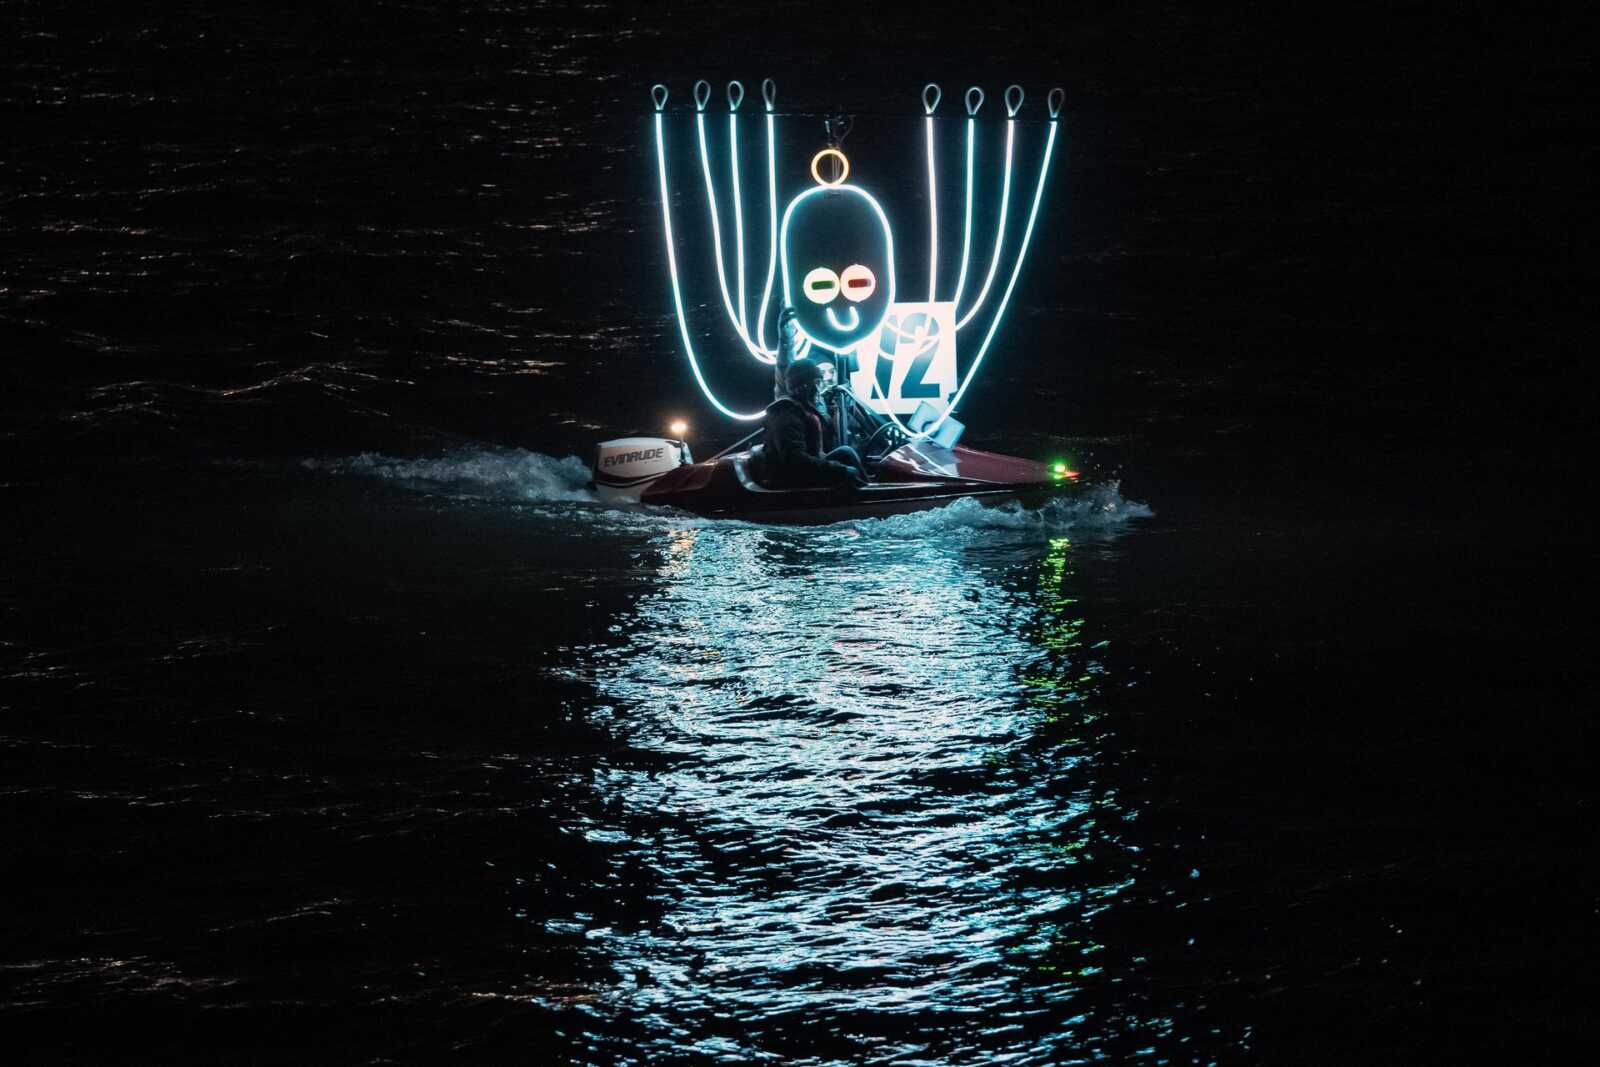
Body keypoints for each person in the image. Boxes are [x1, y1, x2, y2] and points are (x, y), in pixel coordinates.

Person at [756, 353, 869, 489]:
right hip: (788, 479)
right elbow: (795, 460)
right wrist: (840, 469)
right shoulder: (785, 412)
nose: (816, 389)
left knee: (845, 452)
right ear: (797, 387)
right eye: (809, 385)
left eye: (818, 383)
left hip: (805, 470)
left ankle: (868, 490)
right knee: (846, 470)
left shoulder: (807, 408)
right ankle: (868, 496)